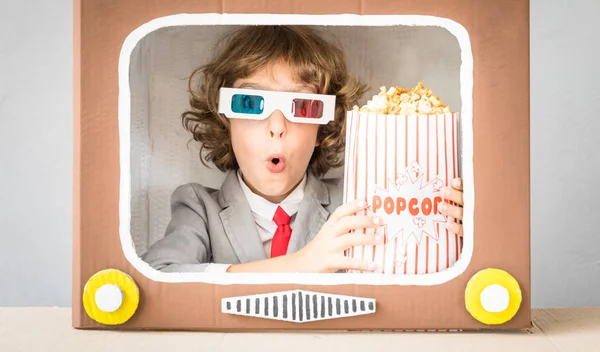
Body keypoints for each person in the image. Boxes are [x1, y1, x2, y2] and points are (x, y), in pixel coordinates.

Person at [141, 25, 465, 274]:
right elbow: (156, 275)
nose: (277, 125)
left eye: (303, 106)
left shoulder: (360, 202)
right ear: (224, 116)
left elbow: (416, 273)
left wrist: (460, 236)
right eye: (252, 103)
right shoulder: (199, 207)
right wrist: (298, 265)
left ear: (326, 125)